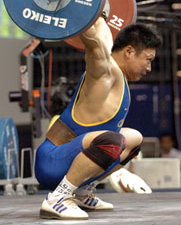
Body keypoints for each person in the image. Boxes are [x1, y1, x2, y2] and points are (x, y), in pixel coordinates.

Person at [35, 16, 162, 220]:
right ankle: (58, 198)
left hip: (72, 155)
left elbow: (102, 31)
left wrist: (100, 13)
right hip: (53, 161)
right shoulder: (105, 72)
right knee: (112, 140)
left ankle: (81, 192)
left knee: (134, 139)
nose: (149, 68)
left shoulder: (116, 74)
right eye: (148, 60)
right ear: (129, 51)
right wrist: (81, 10)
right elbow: (94, 44)